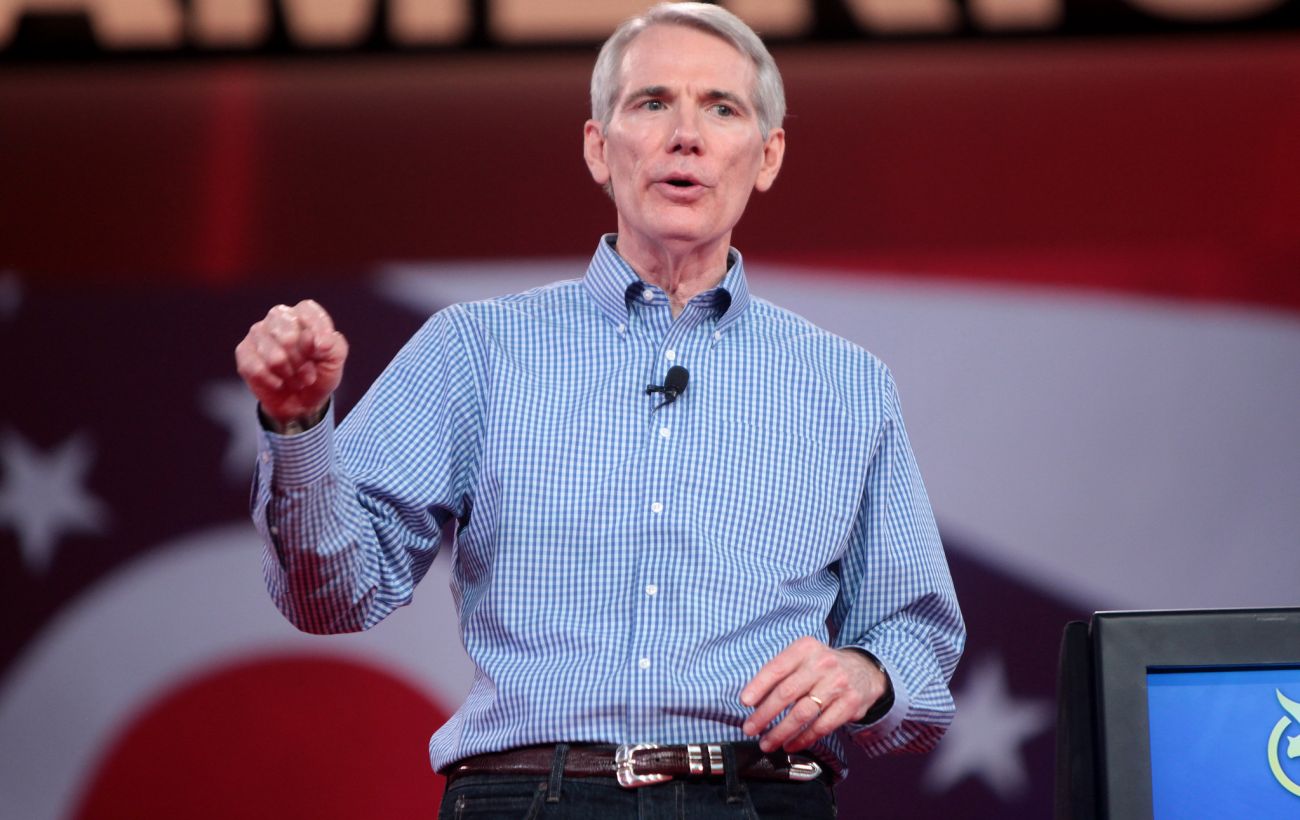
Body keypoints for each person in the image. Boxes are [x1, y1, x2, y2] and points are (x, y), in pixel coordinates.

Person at [236, 4, 964, 818]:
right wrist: (299, 428)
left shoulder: (847, 384)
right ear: (597, 147)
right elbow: (331, 597)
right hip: (532, 796)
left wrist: (867, 674)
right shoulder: (477, 349)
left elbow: (916, 638)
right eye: (652, 102)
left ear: (768, 156)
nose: (685, 136)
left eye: (722, 108)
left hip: (758, 796)